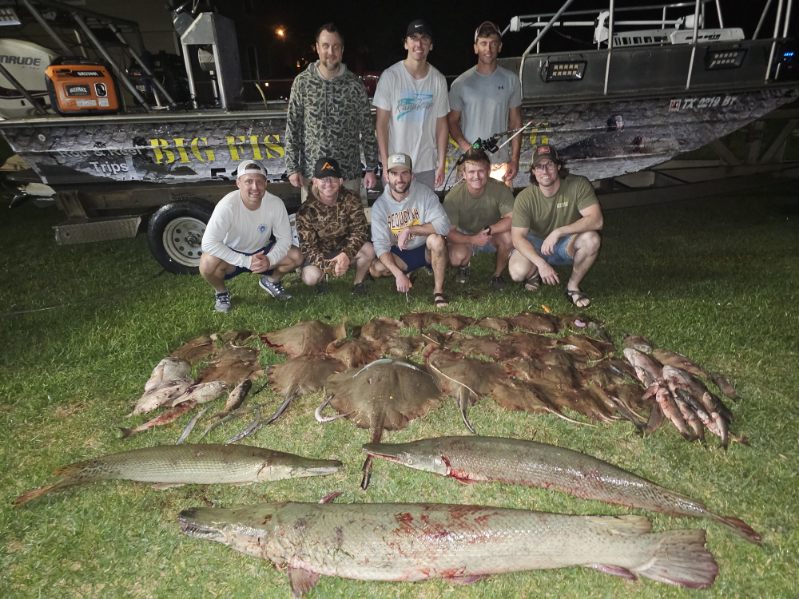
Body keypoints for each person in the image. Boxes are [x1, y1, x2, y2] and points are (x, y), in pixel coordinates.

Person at [284, 23, 378, 202]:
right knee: (314, 226)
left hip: (348, 175)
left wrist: (371, 168)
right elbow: (293, 127)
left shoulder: (354, 84)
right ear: (317, 47)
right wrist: (292, 168)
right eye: (325, 46)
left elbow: (366, 128)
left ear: (342, 50)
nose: (330, 52)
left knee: (351, 225)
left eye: (335, 47)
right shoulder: (302, 82)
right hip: (313, 175)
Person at [200, 160, 303, 313]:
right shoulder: (227, 205)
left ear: (266, 184)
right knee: (207, 263)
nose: (255, 187)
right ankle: (221, 292)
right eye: (248, 181)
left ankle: (272, 282)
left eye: (259, 182)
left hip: (261, 253)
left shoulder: (275, 203)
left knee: (296, 256)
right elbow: (208, 243)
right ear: (238, 183)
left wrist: (270, 259)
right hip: (232, 256)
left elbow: (285, 240)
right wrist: (246, 261)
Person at [509, 145, 603, 308]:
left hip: (565, 243)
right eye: (539, 166)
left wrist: (558, 232)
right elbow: (517, 238)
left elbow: (596, 220)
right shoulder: (524, 198)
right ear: (533, 171)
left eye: (550, 165)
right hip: (536, 245)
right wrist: (541, 264)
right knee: (517, 273)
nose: (545, 171)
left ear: (558, 166)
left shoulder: (578, 184)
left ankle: (572, 287)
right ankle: (533, 273)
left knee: (592, 239)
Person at [373, 19, 449, 189]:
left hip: (425, 165)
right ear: (406, 44)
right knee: (396, 215)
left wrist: (441, 163)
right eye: (414, 38)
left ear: (431, 45)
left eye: (424, 38)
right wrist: (385, 164)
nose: (419, 43)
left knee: (422, 214)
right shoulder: (390, 76)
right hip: (396, 167)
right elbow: (381, 124)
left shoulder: (438, 80)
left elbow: (442, 125)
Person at [370, 153, 451, 307]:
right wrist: (398, 274)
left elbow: (444, 226)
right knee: (376, 269)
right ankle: (408, 272)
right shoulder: (380, 206)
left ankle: (438, 292)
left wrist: (410, 229)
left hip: (424, 248)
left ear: (412, 175)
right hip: (400, 254)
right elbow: (380, 246)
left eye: (404, 173)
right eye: (394, 173)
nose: (399, 179)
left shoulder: (424, 193)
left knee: (438, 240)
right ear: (387, 176)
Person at [448, 20, 522, 185]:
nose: (488, 49)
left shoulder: (512, 80)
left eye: (493, 43)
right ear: (475, 47)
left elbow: (516, 121)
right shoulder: (460, 84)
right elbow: (451, 122)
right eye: (483, 43)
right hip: (470, 165)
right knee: (466, 210)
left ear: (500, 46)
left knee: (504, 211)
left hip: (500, 164)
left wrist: (515, 159)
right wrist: (469, 149)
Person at [295, 156, 375, 295]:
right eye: (323, 179)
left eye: (332, 178)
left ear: (340, 181)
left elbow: (360, 231)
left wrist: (345, 255)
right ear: (314, 182)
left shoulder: (351, 198)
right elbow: (308, 247)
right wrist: (329, 266)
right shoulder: (306, 210)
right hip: (322, 254)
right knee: (310, 277)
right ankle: (321, 281)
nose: (328, 183)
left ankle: (358, 283)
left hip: (345, 249)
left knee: (369, 250)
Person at [443, 148, 515, 290]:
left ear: (488, 171)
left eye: (481, 171)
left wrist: (490, 230)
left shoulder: (500, 189)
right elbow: (449, 232)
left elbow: (512, 218)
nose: (476, 176)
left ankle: (497, 275)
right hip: (465, 233)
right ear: (463, 174)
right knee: (456, 258)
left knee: (509, 238)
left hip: (490, 232)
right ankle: (464, 267)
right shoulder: (453, 196)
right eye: (471, 172)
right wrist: (472, 239)